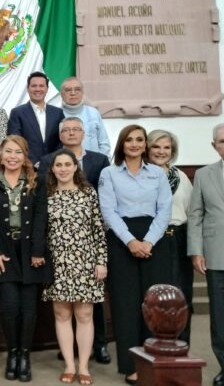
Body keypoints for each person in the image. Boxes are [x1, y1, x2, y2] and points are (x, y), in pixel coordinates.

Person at [98, 124, 172, 384]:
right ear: (122, 144)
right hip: (121, 240)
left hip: (154, 239)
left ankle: (155, 360)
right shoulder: (109, 173)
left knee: (154, 304)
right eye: (129, 140)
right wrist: (131, 241)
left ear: (145, 145)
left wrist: (148, 241)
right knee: (126, 305)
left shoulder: (157, 174)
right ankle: (131, 365)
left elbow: (164, 210)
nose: (134, 144)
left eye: (139, 140)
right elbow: (108, 212)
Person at [37, 117, 112, 364]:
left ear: (75, 167)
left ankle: (84, 366)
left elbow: (98, 230)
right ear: (53, 168)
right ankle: (69, 364)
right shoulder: (46, 195)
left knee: (84, 313)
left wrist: (101, 261)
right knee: (61, 313)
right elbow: (40, 229)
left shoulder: (88, 192)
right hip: (57, 263)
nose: (63, 169)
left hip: (85, 262)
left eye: (68, 164)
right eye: (58, 165)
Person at [0, 135, 49, 382]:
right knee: (10, 308)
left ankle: (25, 356)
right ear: (1, 153)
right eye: (8, 151)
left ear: (25, 155)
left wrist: (38, 251)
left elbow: (41, 216)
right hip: (4, 253)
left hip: (30, 252)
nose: (12, 156)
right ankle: (12, 354)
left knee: (29, 309)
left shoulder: (37, 181)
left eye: (18, 152)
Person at [147, 129, 194, 343]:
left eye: (166, 147)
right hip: (151, 241)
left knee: (180, 296)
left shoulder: (181, 177)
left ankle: (181, 345)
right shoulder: (140, 175)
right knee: (153, 296)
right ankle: (153, 347)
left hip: (178, 240)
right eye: (156, 146)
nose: (161, 151)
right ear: (148, 149)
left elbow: (192, 212)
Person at [188, 123, 224, 386]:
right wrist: (196, 251)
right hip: (216, 255)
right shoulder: (203, 175)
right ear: (214, 146)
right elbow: (196, 215)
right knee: (220, 319)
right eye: (222, 141)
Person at [8, 71, 65, 165]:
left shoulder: (58, 113)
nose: (38, 89)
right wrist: (32, 162)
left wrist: (52, 160)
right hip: (27, 166)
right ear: (28, 88)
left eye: (41, 86)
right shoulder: (17, 113)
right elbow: (16, 141)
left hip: (54, 166)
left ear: (47, 89)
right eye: (34, 86)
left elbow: (61, 140)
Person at [59, 77, 110, 155]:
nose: (73, 93)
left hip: (94, 164)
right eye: (68, 90)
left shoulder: (93, 113)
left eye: (77, 89)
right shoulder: (55, 114)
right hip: (65, 165)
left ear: (82, 92)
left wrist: (100, 163)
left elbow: (104, 143)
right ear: (62, 94)